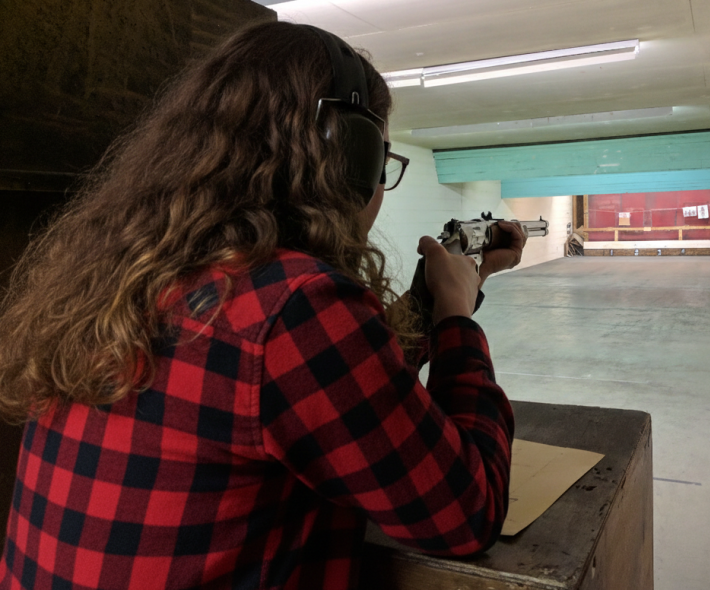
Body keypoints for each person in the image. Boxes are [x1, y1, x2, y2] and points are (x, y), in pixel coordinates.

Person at [0, 20, 524, 590]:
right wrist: (455, 318)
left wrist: (437, 290)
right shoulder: (295, 306)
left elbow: (338, 394)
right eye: (381, 160)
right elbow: (466, 512)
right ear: (349, 157)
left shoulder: (118, 277)